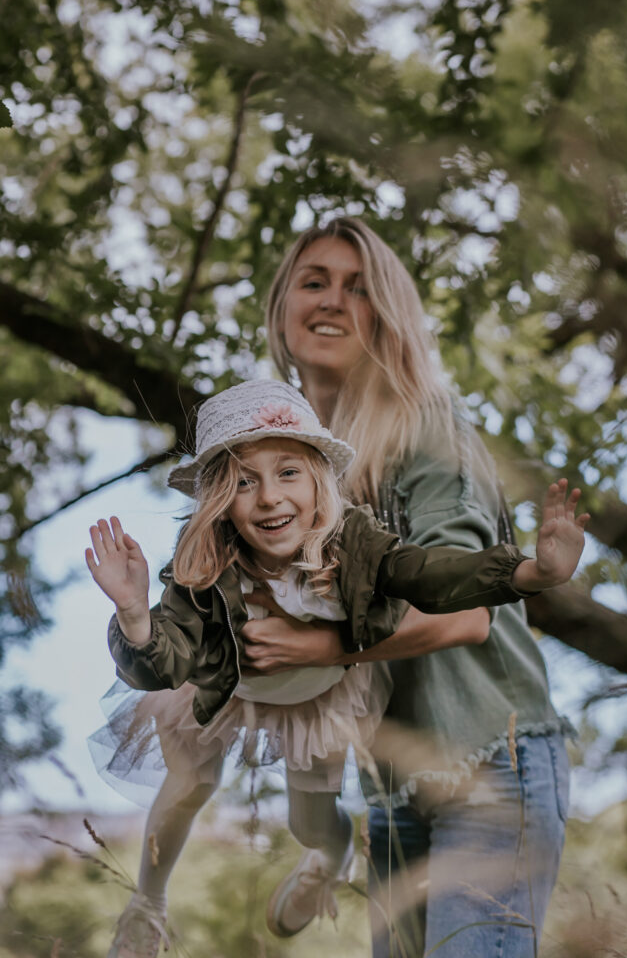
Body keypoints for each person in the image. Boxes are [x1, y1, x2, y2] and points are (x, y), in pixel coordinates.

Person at [85, 379, 587, 958]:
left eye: (288, 473)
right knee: (189, 780)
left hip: (315, 699)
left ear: (320, 480)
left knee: (309, 821)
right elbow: (164, 663)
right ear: (221, 499)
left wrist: (529, 574)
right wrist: (133, 616)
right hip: (227, 685)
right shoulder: (202, 566)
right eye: (245, 482)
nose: (269, 496)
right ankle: (148, 904)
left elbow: (429, 574)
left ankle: (329, 856)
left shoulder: (354, 541)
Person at [237, 215, 585, 958]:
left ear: (384, 317)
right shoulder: (292, 468)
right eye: (314, 282)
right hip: (392, 789)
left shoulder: (425, 424)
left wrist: (315, 647)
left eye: (358, 289)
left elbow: (465, 620)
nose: (332, 300)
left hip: (490, 763)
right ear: (281, 307)